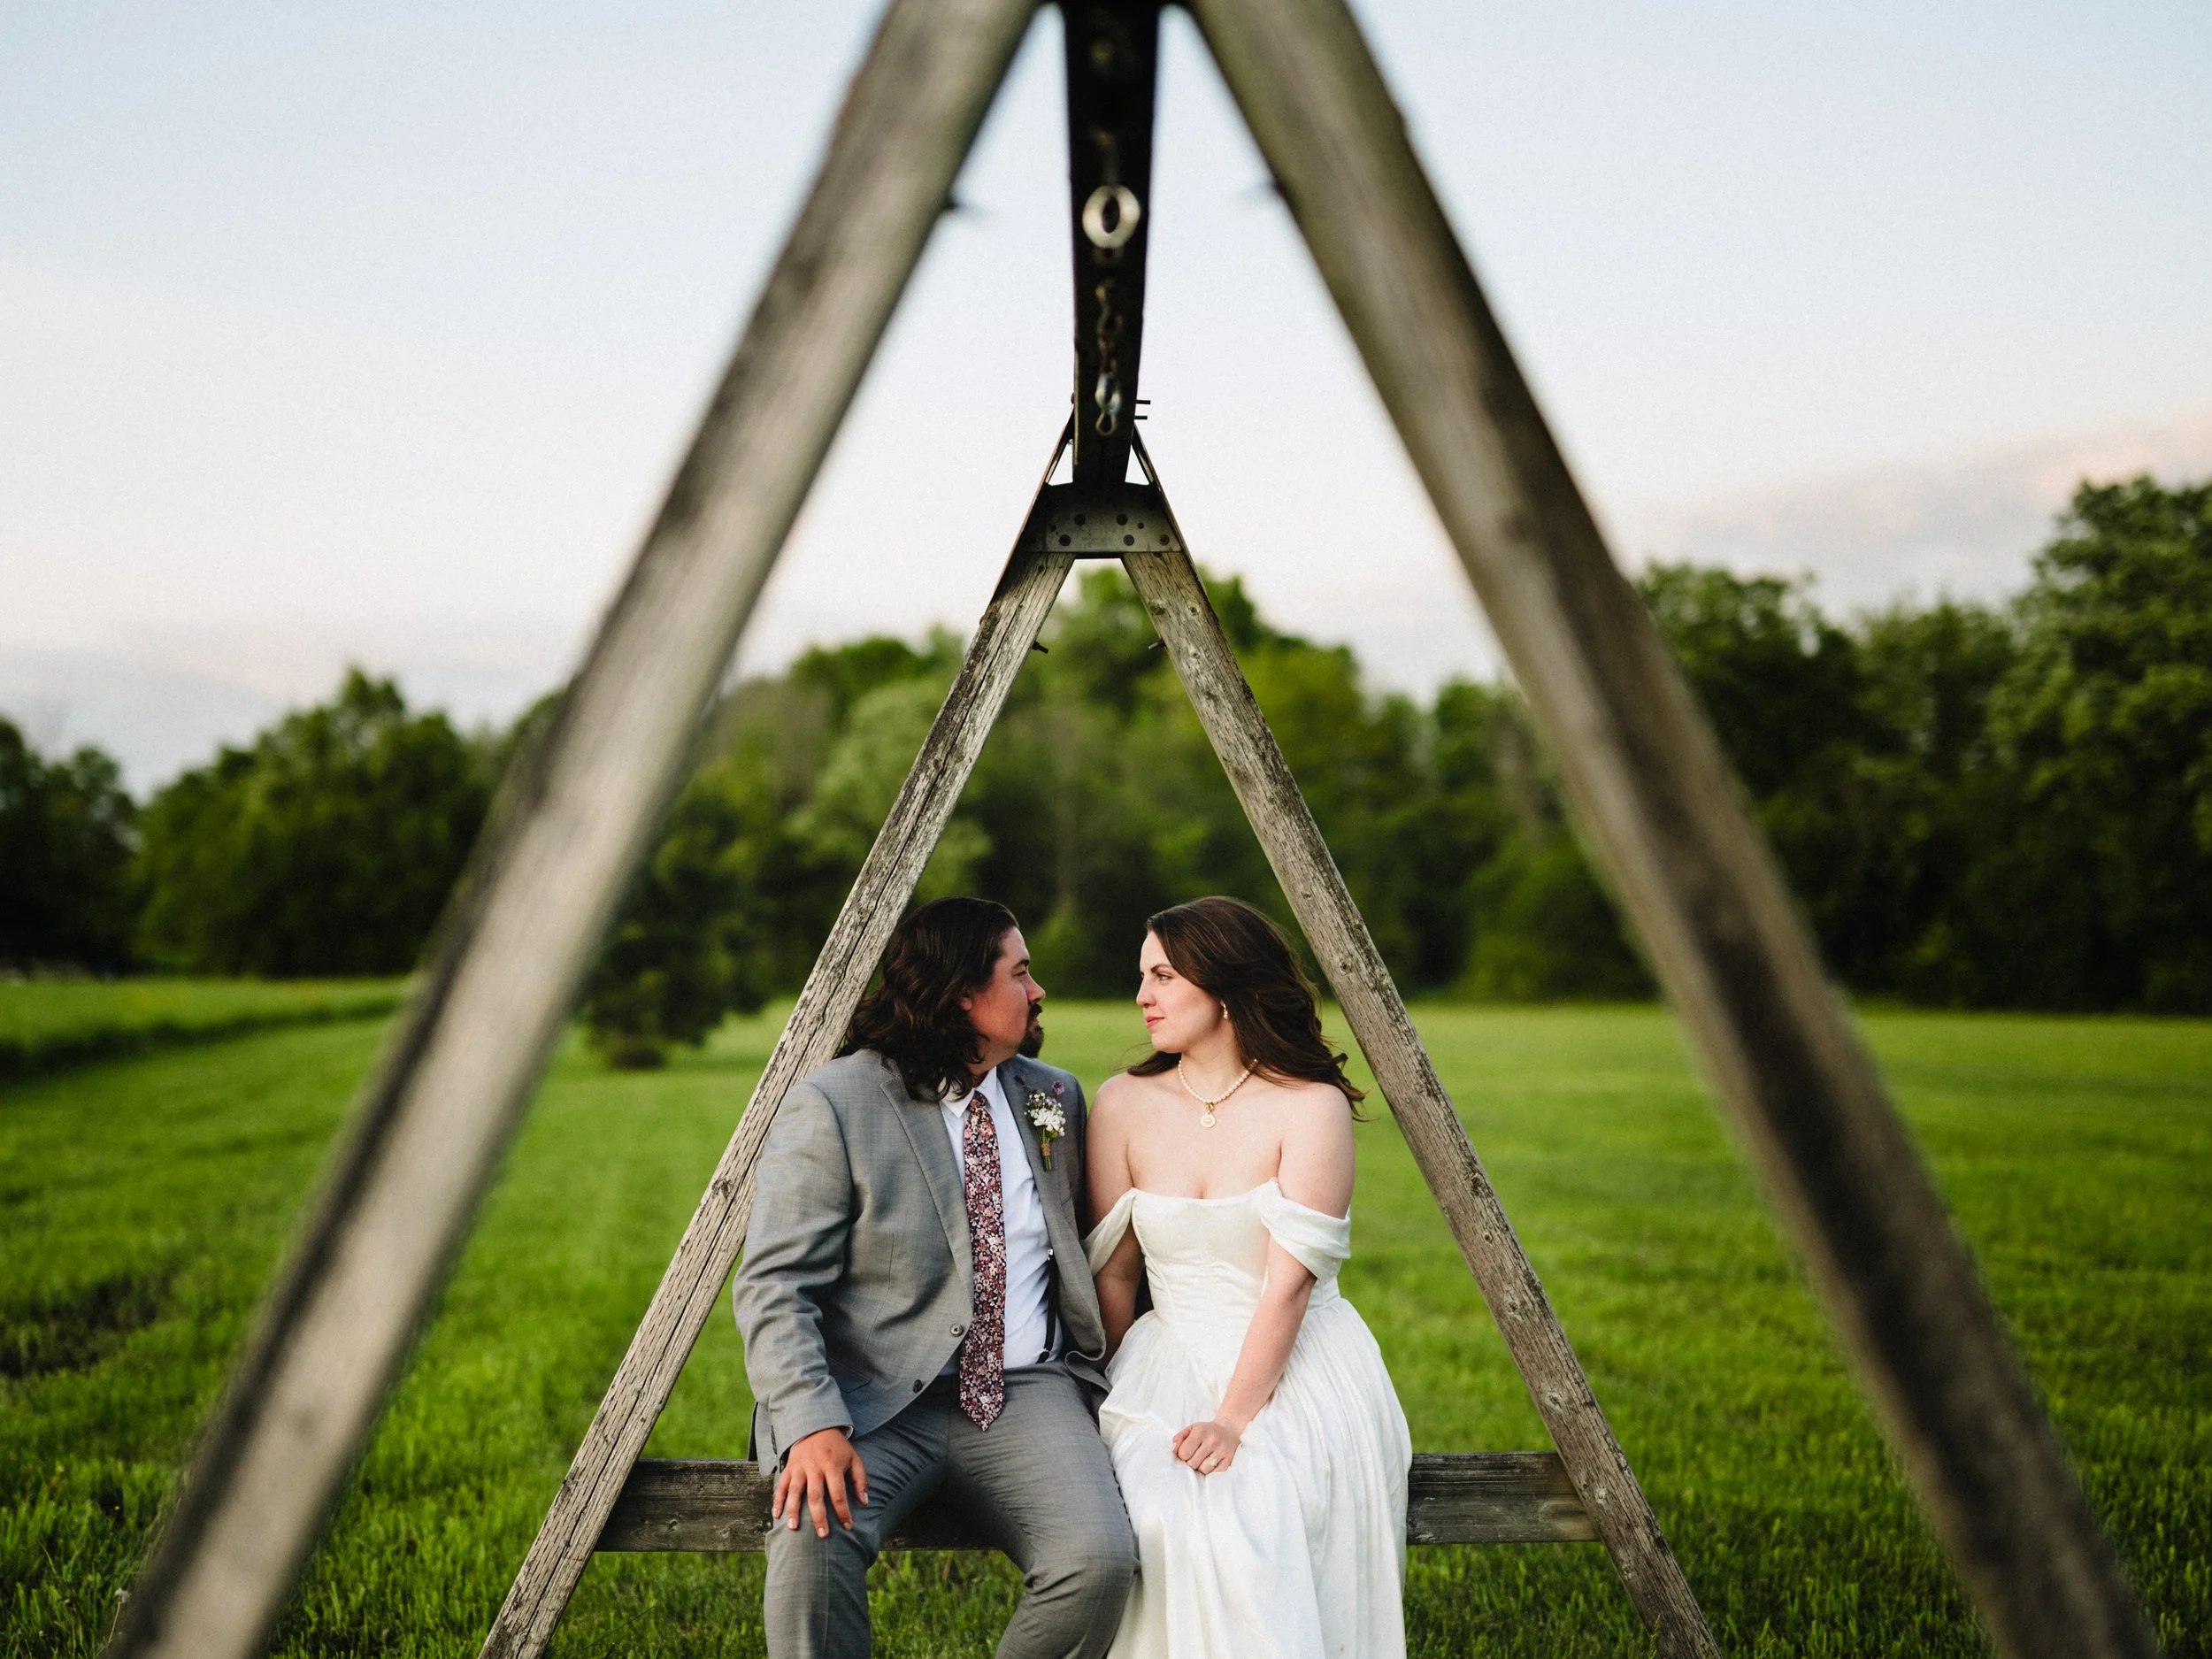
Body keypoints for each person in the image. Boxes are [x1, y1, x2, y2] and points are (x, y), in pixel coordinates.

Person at [733, 897, 1136, 1659]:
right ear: (961, 993)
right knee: (810, 1540)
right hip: (874, 1397)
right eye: (1020, 973)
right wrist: (811, 1422)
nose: (1038, 989)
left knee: (1098, 1560)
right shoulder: (837, 1102)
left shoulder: (1053, 1097)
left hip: (1028, 1390)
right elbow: (775, 1284)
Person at [1084, 895, 1411, 1659]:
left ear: (1224, 988)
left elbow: (1289, 1286)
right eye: (1142, 976)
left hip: (1296, 1359)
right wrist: (1107, 1388)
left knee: (1255, 1508)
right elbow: (1117, 1277)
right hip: (1165, 1356)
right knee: (1155, 1511)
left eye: (1163, 975)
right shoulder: (1122, 1103)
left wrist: (1232, 1419)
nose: (1143, 997)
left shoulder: (1310, 1105)